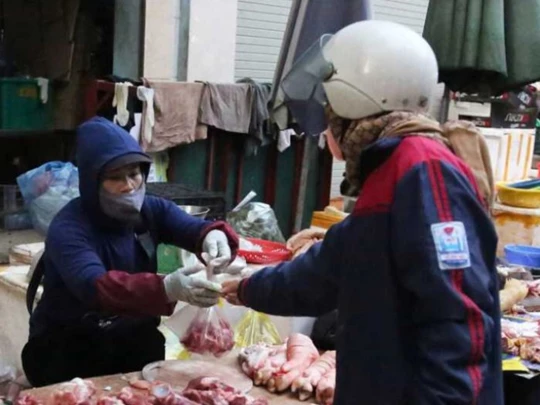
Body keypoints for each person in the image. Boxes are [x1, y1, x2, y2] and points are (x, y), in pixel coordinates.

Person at [223, 20, 502, 405]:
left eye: (329, 111)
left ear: (357, 104)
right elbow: (324, 271)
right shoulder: (385, 173)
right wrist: (245, 288)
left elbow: (456, 314)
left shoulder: (424, 168)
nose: (325, 129)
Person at [22, 117, 239, 387]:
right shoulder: (68, 228)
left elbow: (192, 228)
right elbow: (95, 287)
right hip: (67, 345)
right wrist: (167, 288)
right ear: (92, 182)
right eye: (114, 178)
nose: (129, 185)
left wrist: (213, 236)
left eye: (134, 174)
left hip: (129, 338)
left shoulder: (152, 210)